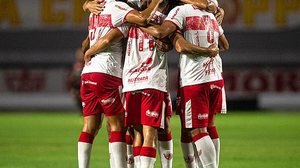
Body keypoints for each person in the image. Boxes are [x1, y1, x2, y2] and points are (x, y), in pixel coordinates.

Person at [140, 0, 229, 167]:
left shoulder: (181, 11)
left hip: (195, 80)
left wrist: (137, 24)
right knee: (209, 126)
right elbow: (224, 44)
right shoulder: (211, 11)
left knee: (196, 129)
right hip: (215, 76)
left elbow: (164, 35)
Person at [77, 0, 163, 167]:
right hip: (107, 73)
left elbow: (84, 43)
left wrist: (86, 5)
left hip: (87, 74)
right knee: (118, 126)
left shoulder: (95, 9)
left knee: (89, 127)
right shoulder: (118, 8)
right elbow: (143, 18)